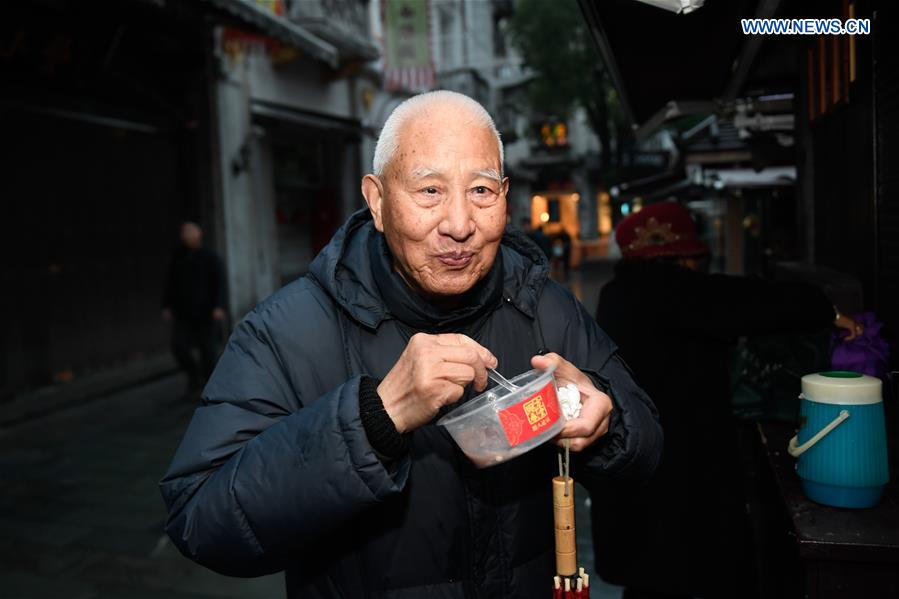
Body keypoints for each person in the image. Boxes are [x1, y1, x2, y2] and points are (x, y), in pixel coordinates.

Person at [159, 91, 663, 599]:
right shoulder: (287, 331)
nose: (460, 224)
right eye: (430, 191)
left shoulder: (547, 307)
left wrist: (608, 424)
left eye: (482, 191)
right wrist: (375, 420)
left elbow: (649, 449)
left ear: (506, 196)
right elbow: (200, 519)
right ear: (377, 201)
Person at [588, 201, 862, 599]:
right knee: (681, 570)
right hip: (676, 474)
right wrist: (826, 310)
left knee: (650, 579)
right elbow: (745, 299)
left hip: (638, 468)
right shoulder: (672, 292)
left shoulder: (619, 294)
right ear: (682, 256)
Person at [161, 221, 227, 397]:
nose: (185, 235)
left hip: (206, 312)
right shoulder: (178, 256)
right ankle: (194, 376)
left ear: (199, 234)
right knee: (178, 346)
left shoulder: (210, 256)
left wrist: (219, 306)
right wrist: (166, 305)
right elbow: (170, 282)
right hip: (183, 312)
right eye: (183, 232)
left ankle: (211, 388)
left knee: (208, 352)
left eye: (189, 231)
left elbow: (219, 282)